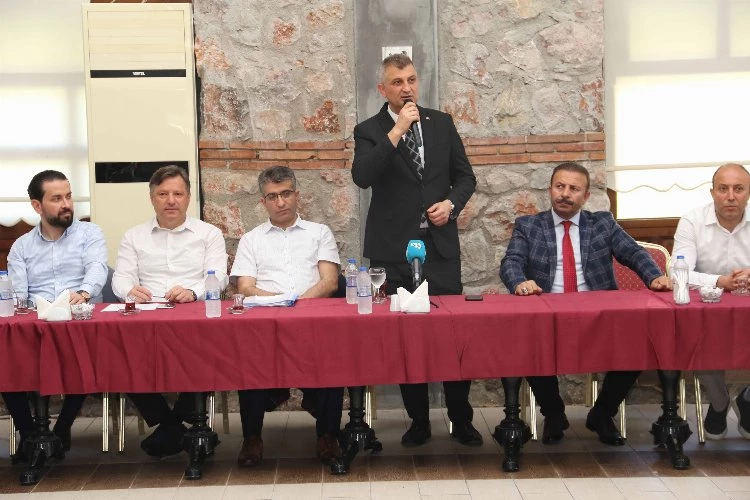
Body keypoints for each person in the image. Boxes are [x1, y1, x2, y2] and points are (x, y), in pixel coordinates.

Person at [351, 54, 480, 447]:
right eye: (397, 82)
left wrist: (451, 205)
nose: (406, 88)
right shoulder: (369, 130)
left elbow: (465, 177)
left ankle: (461, 418)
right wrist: (398, 130)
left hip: (440, 248)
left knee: (452, 335)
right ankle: (419, 421)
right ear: (383, 89)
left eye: (410, 80)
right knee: (407, 338)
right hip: (393, 252)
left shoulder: (441, 123)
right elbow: (363, 176)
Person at [500, 162, 672, 446]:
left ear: (586, 196)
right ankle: (554, 414)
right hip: (548, 312)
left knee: (635, 346)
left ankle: (602, 414)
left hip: (598, 315)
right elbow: (511, 261)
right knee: (528, 346)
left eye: (573, 189)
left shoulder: (602, 223)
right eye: (560, 187)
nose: (565, 194)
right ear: (550, 189)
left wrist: (654, 277)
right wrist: (519, 282)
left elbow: (633, 253)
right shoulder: (529, 226)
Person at [111, 165, 228, 457]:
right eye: (163, 194)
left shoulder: (209, 234)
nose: (171, 201)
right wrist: (130, 291)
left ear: (189, 197)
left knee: (207, 353)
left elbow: (219, 277)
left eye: (178, 193)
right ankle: (173, 425)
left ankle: (172, 427)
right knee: (121, 355)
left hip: (193, 318)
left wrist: (193, 292)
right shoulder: (134, 236)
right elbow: (120, 278)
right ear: (152, 198)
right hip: (147, 318)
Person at [230, 166, 343, 466]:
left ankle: (327, 435)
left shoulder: (319, 233)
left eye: (286, 194)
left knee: (332, 359)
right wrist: (281, 304)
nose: (280, 202)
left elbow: (329, 282)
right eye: (272, 196)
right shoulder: (251, 240)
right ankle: (251, 438)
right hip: (266, 327)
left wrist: (295, 305)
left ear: (297, 195)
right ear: (263, 201)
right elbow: (245, 288)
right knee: (250, 361)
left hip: (313, 324)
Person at [3, 170, 108, 460]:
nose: (66, 204)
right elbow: (19, 293)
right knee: (6, 362)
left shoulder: (90, 234)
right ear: (37, 205)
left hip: (79, 319)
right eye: (57, 198)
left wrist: (84, 292)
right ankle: (30, 434)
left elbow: (97, 267)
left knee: (84, 357)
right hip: (37, 323)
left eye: (69, 196)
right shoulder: (22, 246)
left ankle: (62, 428)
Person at [672, 163, 750, 440]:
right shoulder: (692, 220)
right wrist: (720, 281)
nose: (730, 196)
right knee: (697, 338)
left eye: (738, 189)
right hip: (707, 308)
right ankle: (719, 402)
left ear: (748, 193)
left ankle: (747, 400)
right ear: (712, 192)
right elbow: (678, 271)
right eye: (723, 189)